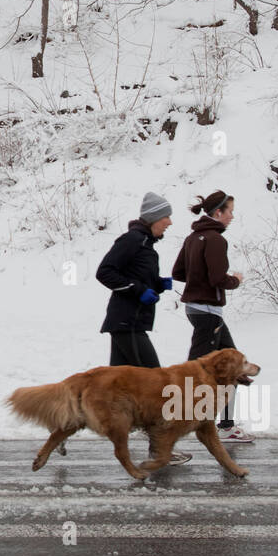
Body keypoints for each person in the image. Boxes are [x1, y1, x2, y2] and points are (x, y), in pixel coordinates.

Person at [96, 191, 191, 465]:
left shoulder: (145, 244)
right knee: (157, 385)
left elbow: (131, 274)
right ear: (153, 218)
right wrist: (139, 291)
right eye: (166, 217)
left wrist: (156, 283)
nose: (169, 223)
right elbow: (105, 272)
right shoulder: (132, 240)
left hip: (129, 323)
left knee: (110, 387)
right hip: (129, 324)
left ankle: (65, 425)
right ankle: (161, 450)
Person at [171, 189, 254, 443]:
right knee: (194, 371)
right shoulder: (216, 240)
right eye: (230, 212)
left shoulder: (193, 237)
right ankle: (170, 425)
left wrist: (198, 279)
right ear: (218, 213)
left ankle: (226, 426)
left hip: (197, 310)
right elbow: (219, 279)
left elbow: (178, 273)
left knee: (234, 367)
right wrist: (236, 280)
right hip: (208, 312)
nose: (232, 217)